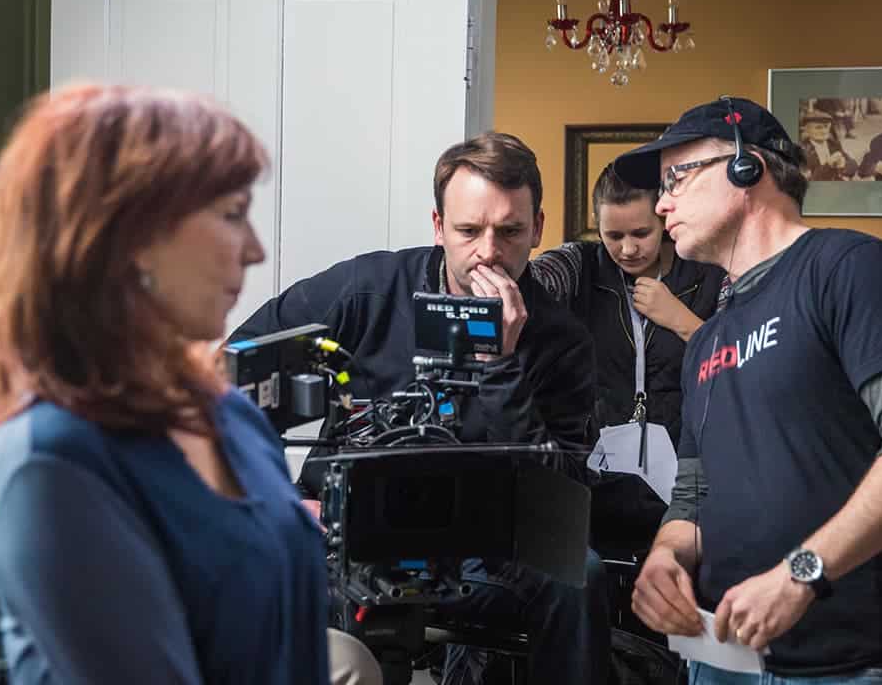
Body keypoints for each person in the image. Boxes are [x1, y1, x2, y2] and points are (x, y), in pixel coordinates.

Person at [0, 83, 381, 685]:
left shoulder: (229, 414)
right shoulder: (54, 462)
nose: (255, 251)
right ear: (132, 236)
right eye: (231, 216)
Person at [230, 131, 610, 685]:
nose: (488, 252)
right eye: (468, 231)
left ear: (538, 229)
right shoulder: (367, 291)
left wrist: (498, 365)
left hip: (479, 544)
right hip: (347, 532)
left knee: (581, 576)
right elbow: (234, 377)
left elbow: (559, 504)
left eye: (509, 231)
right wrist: (282, 499)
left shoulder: (562, 341)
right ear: (438, 227)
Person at [621, 97, 882, 683]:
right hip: (724, 660)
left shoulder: (849, 268)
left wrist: (801, 573)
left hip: (860, 664)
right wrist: (665, 555)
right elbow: (694, 492)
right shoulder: (706, 342)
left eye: (676, 178)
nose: (661, 203)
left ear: (746, 167)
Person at [531, 164, 724, 555]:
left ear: (663, 217)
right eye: (613, 235)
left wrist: (682, 321)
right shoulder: (580, 266)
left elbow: (739, 363)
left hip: (689, 472)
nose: (628, 249)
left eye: (641, 233)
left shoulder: (710, 275)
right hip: (595, 473)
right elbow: (536, 277)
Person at [799, 111, 857, 182]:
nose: (823, 131)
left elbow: (853, 165)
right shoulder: (802, 150)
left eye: (826, 126)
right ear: (807, 130)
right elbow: (809, 180)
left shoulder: (833, 144)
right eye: (818, 128)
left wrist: (844, 165)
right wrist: (828, 165)